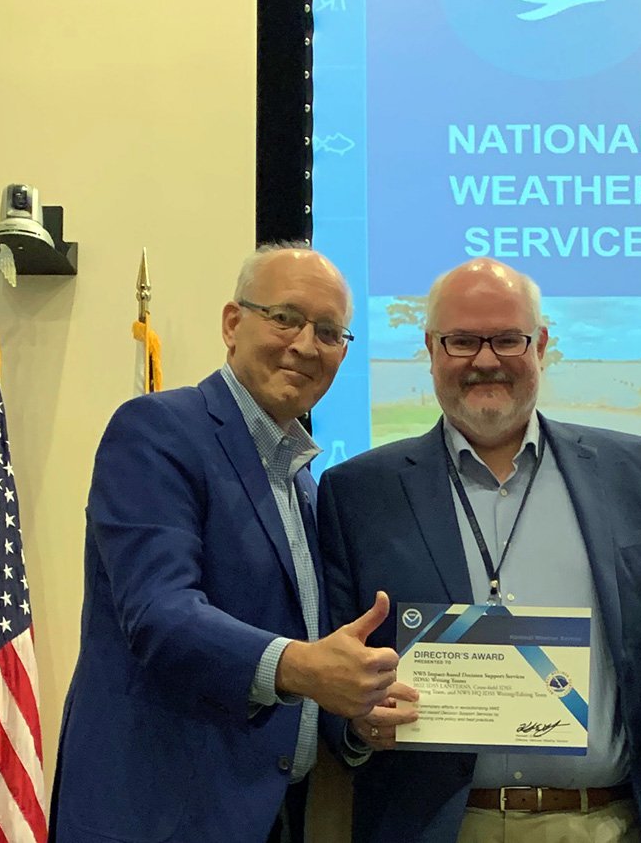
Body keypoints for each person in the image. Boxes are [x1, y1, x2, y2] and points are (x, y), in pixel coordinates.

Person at [316, 258, 641, 843]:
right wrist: (358, 725)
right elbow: (329, 673)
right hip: (437, 827)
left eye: (508, 339)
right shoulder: (358, 492)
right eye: (462, 341)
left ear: (541, 344)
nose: (486, 360)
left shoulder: (631, 468)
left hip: (603, 822)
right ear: (431, 348)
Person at [50, 243, 401, 843]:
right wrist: (301, 667)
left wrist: (358, 721)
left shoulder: (306, 485)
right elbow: (160, 614)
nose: (305, 345)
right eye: (285, 317)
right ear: (232, 324)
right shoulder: (158, 430)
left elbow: (312, 653)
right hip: (157, 817)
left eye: (329, 331)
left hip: (271, 815)